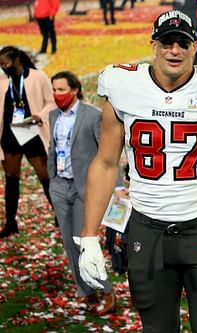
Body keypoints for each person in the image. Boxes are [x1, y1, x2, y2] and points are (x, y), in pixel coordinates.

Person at [76, 10, 197, 332]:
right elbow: (105, 163)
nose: (174, 50)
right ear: (154, 45)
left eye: (182, 43)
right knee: (156, 326)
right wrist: (89, 236)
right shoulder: (123, 85)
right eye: (167, 42)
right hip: (147, 227)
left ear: (195, 46)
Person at [48, 71, 119, 314]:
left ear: (75, 89)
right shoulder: (52, 116)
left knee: (83, 242)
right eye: (54, 90)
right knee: (69, 242)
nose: (57, 95)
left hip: (83, 188)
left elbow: (107, 153)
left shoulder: (92, 116)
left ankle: (107, 291)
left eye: (61, 89)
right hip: (59, 185)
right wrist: (52, 180)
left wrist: (118, 186)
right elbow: (54, 148)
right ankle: (85, 290)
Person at [0, 46, 55, 238]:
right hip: (9, 133)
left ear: (17, 60)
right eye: (1, 65)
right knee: (11, 178)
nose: (3, 67)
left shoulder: (37, 77)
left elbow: (51, 101)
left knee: (45, 176)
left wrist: (39, 116)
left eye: (5, 63)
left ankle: (59, 213)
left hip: (32, 130)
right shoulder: (1, 81)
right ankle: (10, 221)